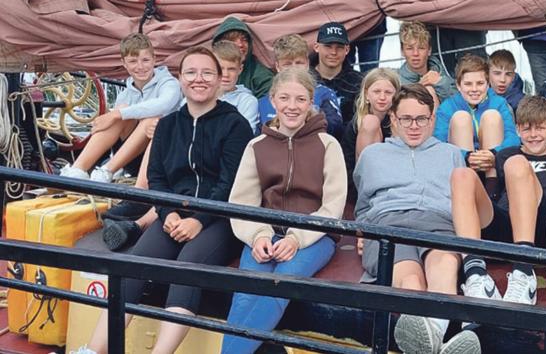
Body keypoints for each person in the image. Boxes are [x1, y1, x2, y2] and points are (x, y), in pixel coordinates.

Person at [76, 46, 253, 354]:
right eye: (191, 73)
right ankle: (94, 350)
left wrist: (199, 220)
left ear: (219, 78)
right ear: (180, 79)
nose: (199, 79)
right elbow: (158, 177)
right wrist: (168, 213)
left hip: (220, 217)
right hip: (174, 212)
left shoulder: (235, 125)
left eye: (207, 72)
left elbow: (231, 183)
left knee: (188, 266)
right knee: (134, 265)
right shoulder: (169, 125)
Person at [222, 68, 347, 354]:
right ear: (273, 100)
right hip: (264, 234)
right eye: (285, 98)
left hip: (314, 237)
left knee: (280, 285)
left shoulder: (328, 145)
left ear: (310, 101)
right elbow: (242, 202)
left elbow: (332, 207)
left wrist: (296, 238)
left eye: (300, 99)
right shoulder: (257, 146)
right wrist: (258, 236)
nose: (292, 106)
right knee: (245, 294)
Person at [354, 84, 480, 354]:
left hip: (437, 222)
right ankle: (439, 342)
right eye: (406, 119)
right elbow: (363, 206)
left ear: (432, 119)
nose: (414, 126)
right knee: (411, 280)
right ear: (393, 120)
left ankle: (430, 336)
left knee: (444, 263)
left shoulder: (451, 153)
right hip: (388, 225)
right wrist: (363, 233)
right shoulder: (372, 155)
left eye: (421, 119)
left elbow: (462, 198)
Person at [450, 95, 546, 305]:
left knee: (517, 163)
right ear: (517, 130)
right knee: (461, 175)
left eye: (539, 128)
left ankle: (524, 271)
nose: (533, 135)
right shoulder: (504, 155)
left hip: (541, 226)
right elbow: (494, 192)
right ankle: (475, 274)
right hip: (505, 223)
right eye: (526, 129)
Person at [61, 33, 182, 182]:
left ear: (154, 59)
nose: (140, 67)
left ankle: (108, 170)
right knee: (120, 112)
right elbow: (120, 119)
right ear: (124, 63)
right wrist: (116, 116)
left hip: (162, 158)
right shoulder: (124, 95)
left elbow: (164, 104)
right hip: (131, 159)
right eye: (133, 61)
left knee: (150, 119)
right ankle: (77, 170)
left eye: (145, 60)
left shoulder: (170, 84)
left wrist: (115, 114)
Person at [434, 54, 520, 179]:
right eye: (468, 84)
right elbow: (439, 143)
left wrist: (493, 153)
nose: (474, 89)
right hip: (463, 166)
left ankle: (492, 189)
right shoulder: (447, 107)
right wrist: (467, 156)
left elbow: (513, 138)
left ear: (488, 84)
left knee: (492, 116)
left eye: (480, 83)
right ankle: (467, 183)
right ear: (458, 86)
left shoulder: (499, 103)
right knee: (461, 118)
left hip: (492, 163)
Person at [258, 34, 343, 137]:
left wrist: (311, 117)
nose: (294, 68)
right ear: (278, 66)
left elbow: (337, 129)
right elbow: (259, 138)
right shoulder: (264, 101)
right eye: (287, 64)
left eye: (299, 63)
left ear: (307, 64)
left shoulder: (324, 93)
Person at [340, 67, 400, 176]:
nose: (382, 97)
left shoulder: (399, 121)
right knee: (371, 122)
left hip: (392, 179)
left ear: (396, 95)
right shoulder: (359, 122)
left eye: (388, 92)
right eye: (377, 91)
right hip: (359, 182)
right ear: (367, 94)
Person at [310, 22, 364, 127]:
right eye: (328, 46)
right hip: (313, 138)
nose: (333, 52)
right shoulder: (303, 80)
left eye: (339, 47)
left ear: (347, 49)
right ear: (316, 47)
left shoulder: (359, 81)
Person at [212, 16, 275, 99]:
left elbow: (268, 104)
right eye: (232, 40)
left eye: (244, 39)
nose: (240, 45)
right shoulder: (205, 72)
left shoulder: (261, 75)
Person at [396, 20, 456, 104]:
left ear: (429, 50)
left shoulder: (443, 72)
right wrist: (418, 88)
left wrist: (440, 82)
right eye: (410, 48)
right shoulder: (396, 80)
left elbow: (462, 101)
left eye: (421, 48)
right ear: (402, 51)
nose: (415, 53)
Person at [213, 40, 261, 134]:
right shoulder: (198, 97)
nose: (225, 74)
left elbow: (243, 135)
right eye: (220, 68)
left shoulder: (247, 101)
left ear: (240, 69)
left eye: (231, 69)